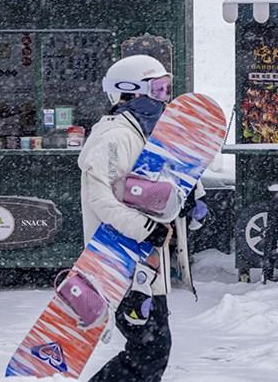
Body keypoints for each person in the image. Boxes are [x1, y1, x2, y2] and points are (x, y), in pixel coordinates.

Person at [78, 54, 205, 382]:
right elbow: (101, 199)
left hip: (146, 265)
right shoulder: (113, 136)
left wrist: (190, 197)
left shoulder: (145, 134)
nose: (163, 98)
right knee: (149, 351)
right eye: (157, 89)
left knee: (152, 350)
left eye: (166, 88)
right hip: (119, 262)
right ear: (128, 91)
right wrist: (146, 229)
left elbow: (159, 181)